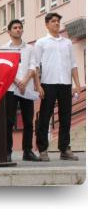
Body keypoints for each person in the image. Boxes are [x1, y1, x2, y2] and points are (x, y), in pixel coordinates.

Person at [34, 12, 81, 161]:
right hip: (48, 84)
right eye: (53, 21)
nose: (56, 23)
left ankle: (64, 149)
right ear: (47, 24)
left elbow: (73, 64)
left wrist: (77, 85)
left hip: (65, 84)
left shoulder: (67, 42)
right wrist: (38, 85)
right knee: (45, 117)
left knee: (65, 117)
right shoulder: (41, 43)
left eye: (58, 21)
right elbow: (35, 66)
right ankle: (42, 150)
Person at [1, 19, 40, 162]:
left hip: (27, 89)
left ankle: (27, 151)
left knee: (28, 121)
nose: (18, 29)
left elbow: (33, 66)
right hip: (11, 89)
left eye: (20, 27)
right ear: (9, 31)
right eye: (15, 28)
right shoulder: (4, 48)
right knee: (9, 121)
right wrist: (17, 82)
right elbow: (4, 69)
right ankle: (7, 152)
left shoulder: (30, 48)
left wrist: (24, 81)